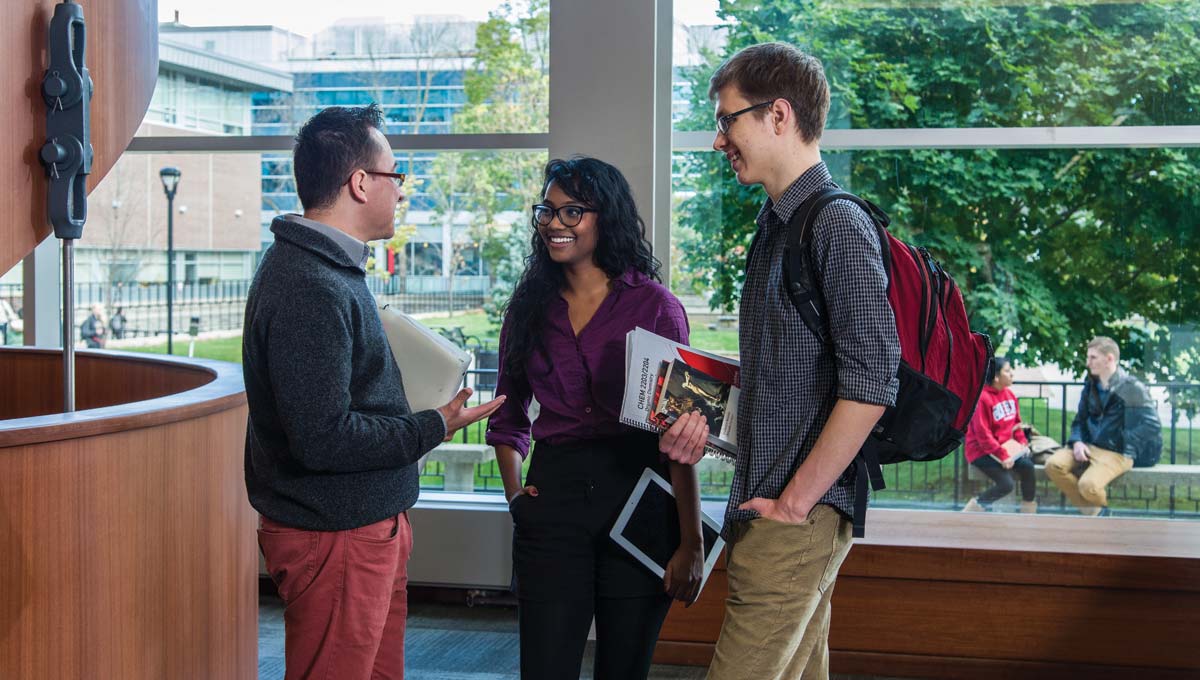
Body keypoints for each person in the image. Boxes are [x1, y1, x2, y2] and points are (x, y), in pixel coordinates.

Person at [661, 42, 901, 680]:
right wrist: (702, 414)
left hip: (797, 514)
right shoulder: (776, 225)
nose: (718, 141)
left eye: (726, 120)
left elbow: (873, 385)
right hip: (762, 500)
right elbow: (781, 379)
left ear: (778, 115)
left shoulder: (836, 226)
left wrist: (794, 506)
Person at [242, 104, 505, 680]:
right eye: (396, 177)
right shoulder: (310, 284)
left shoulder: (328, 271)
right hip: (335, 536)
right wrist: (435, 425)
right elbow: (323, 439)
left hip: (364, 527)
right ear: (360, 183)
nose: (402, 192)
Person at [486, 157, 709, 680]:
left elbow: (678, 436)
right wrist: (514, 494)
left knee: (623, 671)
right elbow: (509, 411)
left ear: (604, 217)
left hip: (638, 494)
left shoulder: (656, 306)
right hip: (553, 498)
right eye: (547, 210)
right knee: (545, 670)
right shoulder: (527, 308)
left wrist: (690, 539)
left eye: (572, 211)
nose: (553, 223)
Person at [1044, 336, 1162, 517]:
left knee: (1088, 485)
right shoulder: (1091, 383)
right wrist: (1077, 442)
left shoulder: (1131, 387)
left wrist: (1120, 439)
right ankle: (1099, 513)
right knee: (1053, 465)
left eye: (1093, 357)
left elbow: (1152, 425)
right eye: (1088, 357)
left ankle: (1097, 519)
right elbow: (1080, 419)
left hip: (1118, 451)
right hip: (1089, 445)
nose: (1087, 362)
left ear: (1109, 359)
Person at [963, 356, 1038, 513]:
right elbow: (983, 436)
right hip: (981, 451)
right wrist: (1003, 455)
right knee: (1006, 485)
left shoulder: (1009, 395)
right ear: (996, 376)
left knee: (1028, 467)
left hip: (1005, 448)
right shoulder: (982, 399)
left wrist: (1022, 443)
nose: (1012, 374)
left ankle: (1028, 513)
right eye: (1008, 371)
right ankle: (972, 510)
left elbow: (1016, 425)